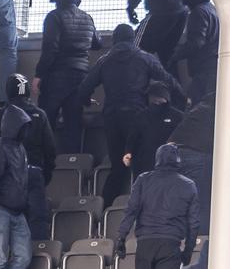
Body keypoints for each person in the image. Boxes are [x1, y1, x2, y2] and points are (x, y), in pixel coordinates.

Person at [78, 24, 183, 207]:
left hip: (112, 118)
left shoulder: (105, 60)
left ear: (115, 39)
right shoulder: (144, 58)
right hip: (137, 117)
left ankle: (105, 208)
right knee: (141, 163)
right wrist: (183, 98)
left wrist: (86, 101)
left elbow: (84, 88)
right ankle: (143, 205)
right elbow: (167, 79)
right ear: (133, 38)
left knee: (117, 166)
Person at [0, 74, 56, 240]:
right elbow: (50, 150)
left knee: (3, 217)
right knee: (37, 220)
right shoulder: (40, 115)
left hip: (7, 177)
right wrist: (45, 174)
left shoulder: (1, 114)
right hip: (34, 173)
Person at [33, 0, 102, 153]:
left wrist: (39, 75)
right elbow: (97, 43)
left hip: (57, 76)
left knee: (47, 118)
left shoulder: (54, 17)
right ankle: (71, 163)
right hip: (81, 76)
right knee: (73, 122)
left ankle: (43, 159)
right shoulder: (88, 18)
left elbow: (50, 50)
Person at [115, 144, 199, 269]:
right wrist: (188, 251)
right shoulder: (188, 185)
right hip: (171, 245)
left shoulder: (143, 180)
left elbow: (131, 210)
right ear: (178, 160)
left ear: (157, 159)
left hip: (145, 244)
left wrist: (121, 238)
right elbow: (194, 223)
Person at [0, 105, 33, 269]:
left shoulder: (21, 149)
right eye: (22, 126)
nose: (25, 130)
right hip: (0, 210)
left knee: (24, 257)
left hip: (18, 212)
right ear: (14, 127)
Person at [167, 92, 215, 234]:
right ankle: (200, 243)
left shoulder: (198, 109)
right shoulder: (221, 111)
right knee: (201, 204)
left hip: (175, 154)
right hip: (198, 153)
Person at [170, 0, 219, 103]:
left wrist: (175, 56)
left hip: (204, 70)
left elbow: (196, 43)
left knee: (197, 107)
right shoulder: (213, 9)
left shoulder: (198, 12)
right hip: (214, 67)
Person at [123, 81, 183, 179]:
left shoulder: (178, 117)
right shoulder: (141, 116)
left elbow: (183, 138)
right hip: (145, 164)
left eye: (159, 98)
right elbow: (133, 137)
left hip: (170, 165)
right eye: (153, 98)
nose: (156, 101)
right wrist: (128, 152)